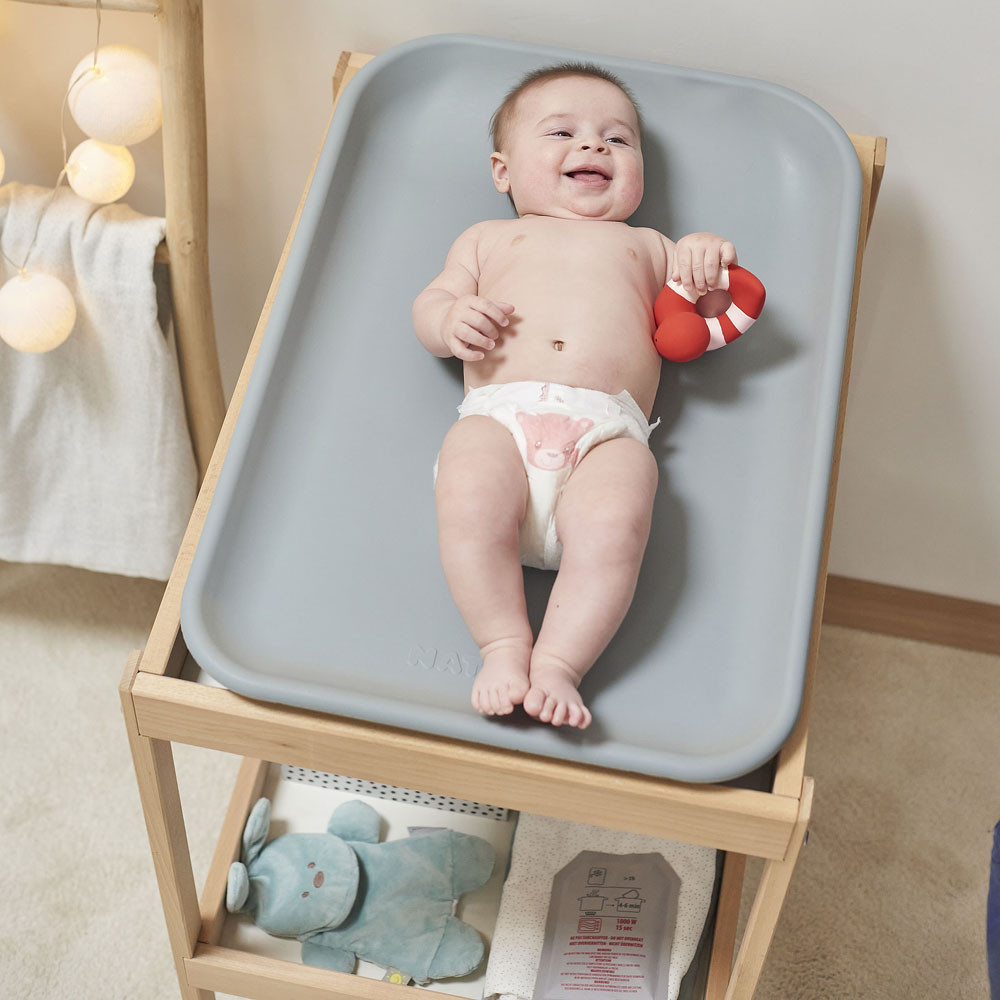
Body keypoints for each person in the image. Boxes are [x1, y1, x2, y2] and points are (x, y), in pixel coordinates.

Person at [412, 63, 737, 730]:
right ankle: (503, 645)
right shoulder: (487, 238)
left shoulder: (650, 247)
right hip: (500, 420)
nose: (593, 145)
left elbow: (705, 314)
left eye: (617, 139)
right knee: (469, 491)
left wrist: (704, 258)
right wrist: (448, 321)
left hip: (605, 434)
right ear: (503, 171)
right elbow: (432, 304)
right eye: (562, 132)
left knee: (618, 518)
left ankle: (561, 662)